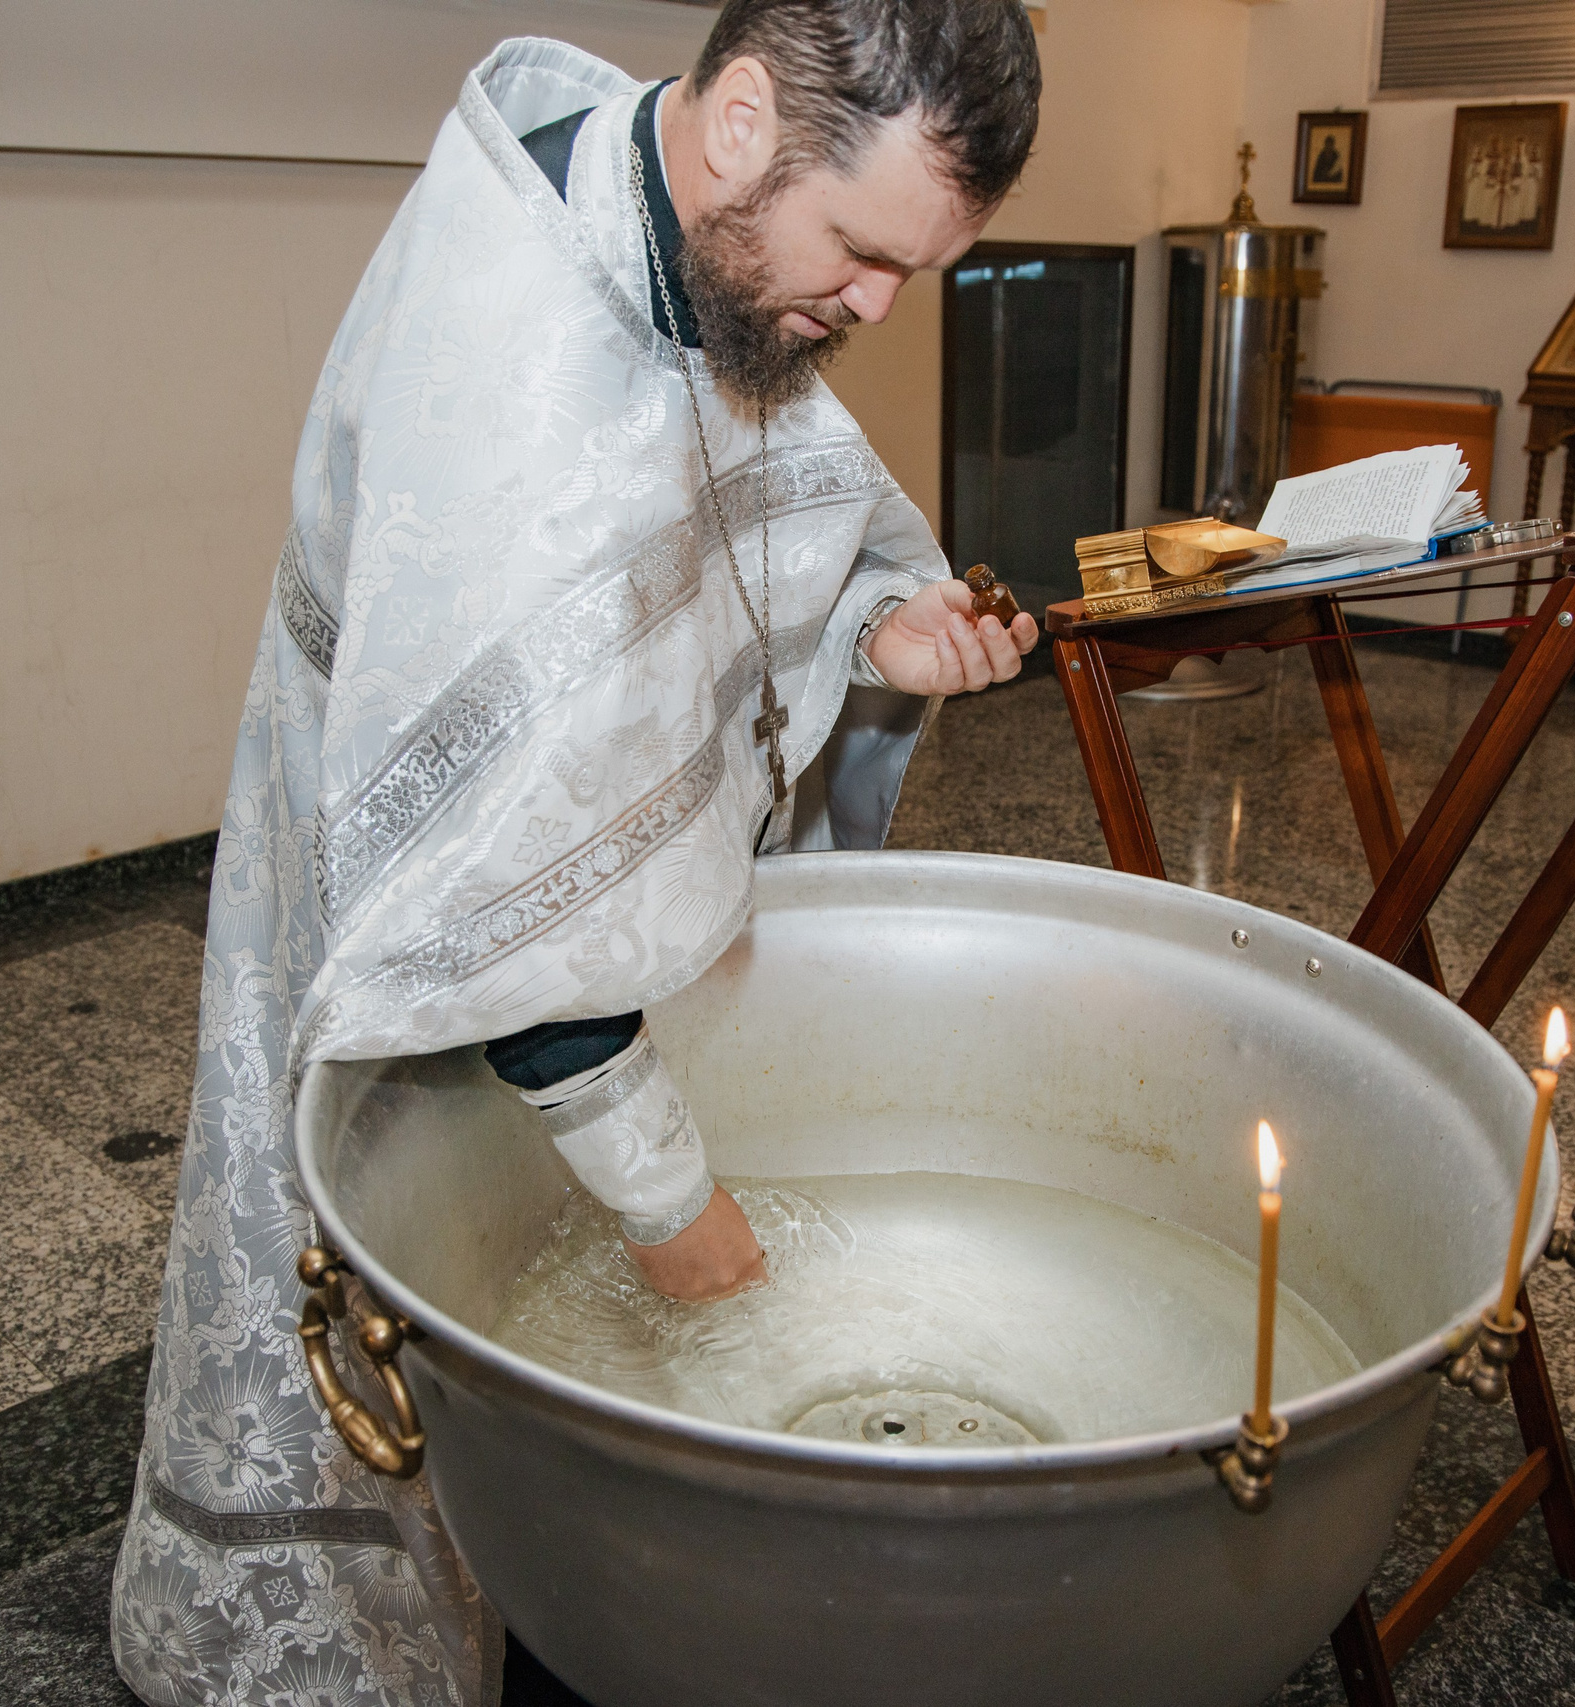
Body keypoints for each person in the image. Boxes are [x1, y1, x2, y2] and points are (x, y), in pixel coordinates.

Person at [108, 3, 1042, 1704]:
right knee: (445, 1343)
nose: (878, 312)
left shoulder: (671, 206)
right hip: (423, 883)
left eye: (920, 269)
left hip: (565, 913)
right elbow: (504, 913)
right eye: (865, 253)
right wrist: (697, 1239)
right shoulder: (522, 387)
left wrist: (870, 624)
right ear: (747, 125)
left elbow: (741, 510)